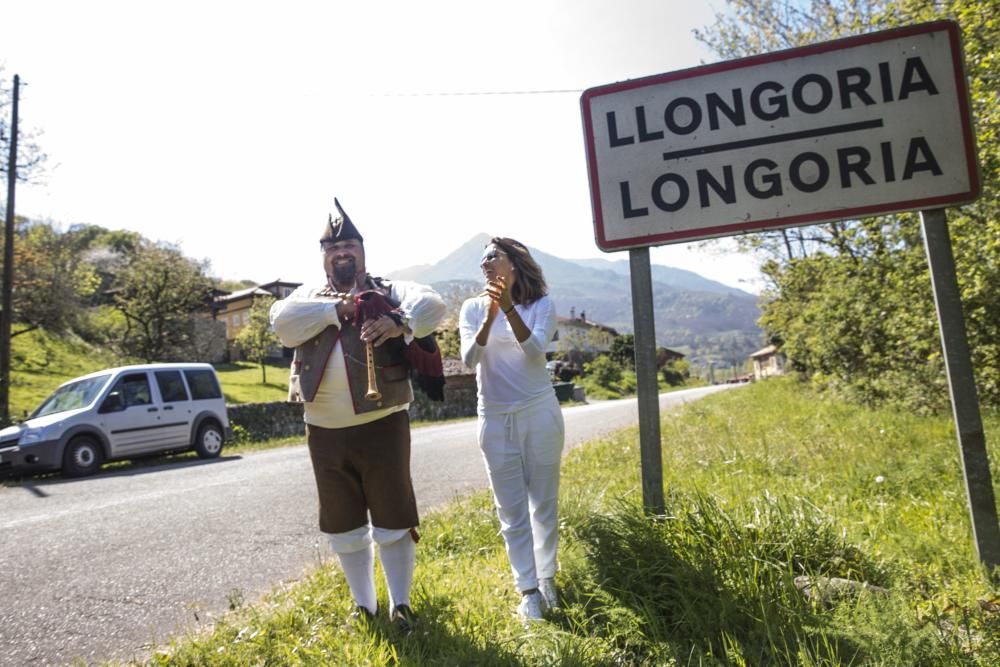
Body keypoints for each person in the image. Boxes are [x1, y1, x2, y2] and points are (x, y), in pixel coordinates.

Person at [269, 199, 446, 633]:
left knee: (393, 516)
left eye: (349, 245)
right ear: (324, 256)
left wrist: (399, 321)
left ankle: (400, 604)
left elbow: (433, 305)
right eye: (333, 248)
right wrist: (338, 310)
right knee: (343, 523)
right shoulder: (306, 296)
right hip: (322, 430)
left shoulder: (390, 290)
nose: (341, 253)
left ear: (362, 251)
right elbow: (281, 323)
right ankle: (364, 605)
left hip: (381, 424)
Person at [458, 237, 565, 621]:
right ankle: (529, 590)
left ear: (514, 264)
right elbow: (470, 358)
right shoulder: (471, 308)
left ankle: (548, 577)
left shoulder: (542, 305)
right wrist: (490, 315)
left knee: (543, 503)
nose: (485, 262)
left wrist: (509, 310)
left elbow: (536, 351)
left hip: (539, 412)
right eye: (483, 257)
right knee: (511, 510)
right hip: (494, 418)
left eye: (493, 255)